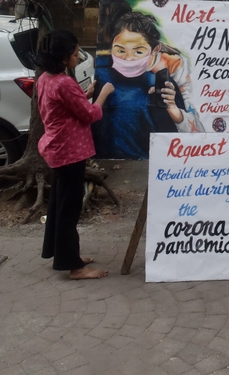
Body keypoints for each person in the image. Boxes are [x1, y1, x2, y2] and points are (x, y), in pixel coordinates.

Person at [36, 29, 114, 279]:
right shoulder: (65, 83)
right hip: (70, 152)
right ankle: (75, 268)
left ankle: (60, 253)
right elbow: (90, 115)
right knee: (69, 210)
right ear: (63, 57)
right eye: (74, 53)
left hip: (56, 150)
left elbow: (65, 105)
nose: (77, 56)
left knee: (59, 205)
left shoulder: (46, 79)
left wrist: (86, 94)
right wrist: (102, 96)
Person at [93, 11, 204, 159]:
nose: (128, 58)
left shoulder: (174, 67)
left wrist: (176, 112)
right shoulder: (103, 69)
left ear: (155, 49)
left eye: (138, 52)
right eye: (120, 50)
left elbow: (197, 131)